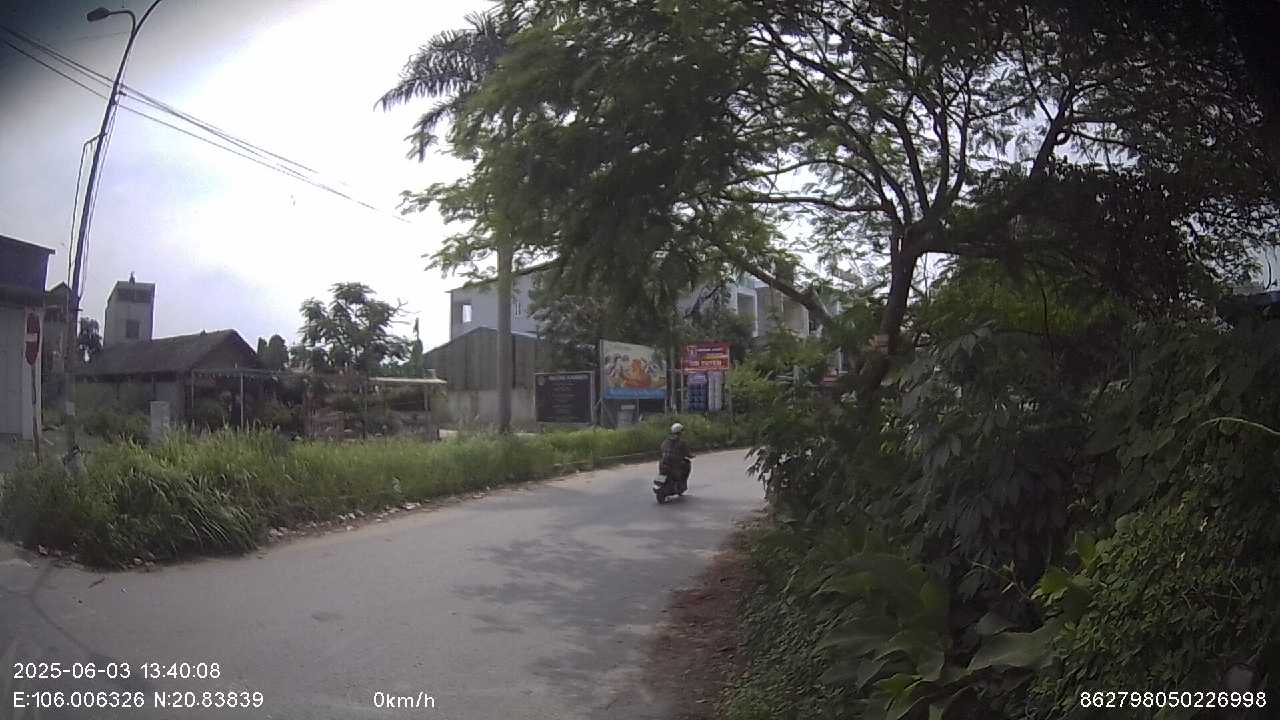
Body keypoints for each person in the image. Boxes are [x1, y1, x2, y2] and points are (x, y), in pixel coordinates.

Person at [659, 422, 694, 492]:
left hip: (663, 462)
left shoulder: (666, 440)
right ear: (680, 432)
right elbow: (687, 453)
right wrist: (691, 455)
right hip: (675, 463)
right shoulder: (681, 442)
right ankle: (682, 484)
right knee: (687, 465)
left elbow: (662, 448)